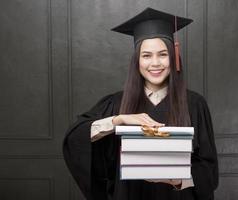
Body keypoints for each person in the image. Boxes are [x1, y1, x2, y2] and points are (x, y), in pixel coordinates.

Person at [63, 7, 218, 200]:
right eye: (146, 55)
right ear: (137, 60)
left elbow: (209, 171)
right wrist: (119, 120)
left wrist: (179, 180)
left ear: (173, 56)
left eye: (162, 54)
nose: (155, 63)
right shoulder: (116, 104)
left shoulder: (194, 104)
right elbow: (76, 139)